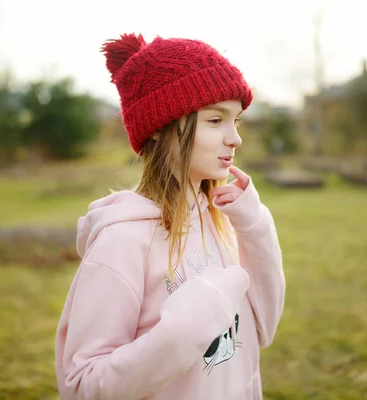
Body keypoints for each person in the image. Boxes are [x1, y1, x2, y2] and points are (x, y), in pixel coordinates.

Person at [55, 32, 285, 400]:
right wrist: (186, 328)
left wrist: (254, 226)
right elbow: (84, 386)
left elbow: (263, 331)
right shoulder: (121, 242)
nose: (235, 138)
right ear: (161, 128)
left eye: (236, 121)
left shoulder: (221, 218)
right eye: (215, 120)